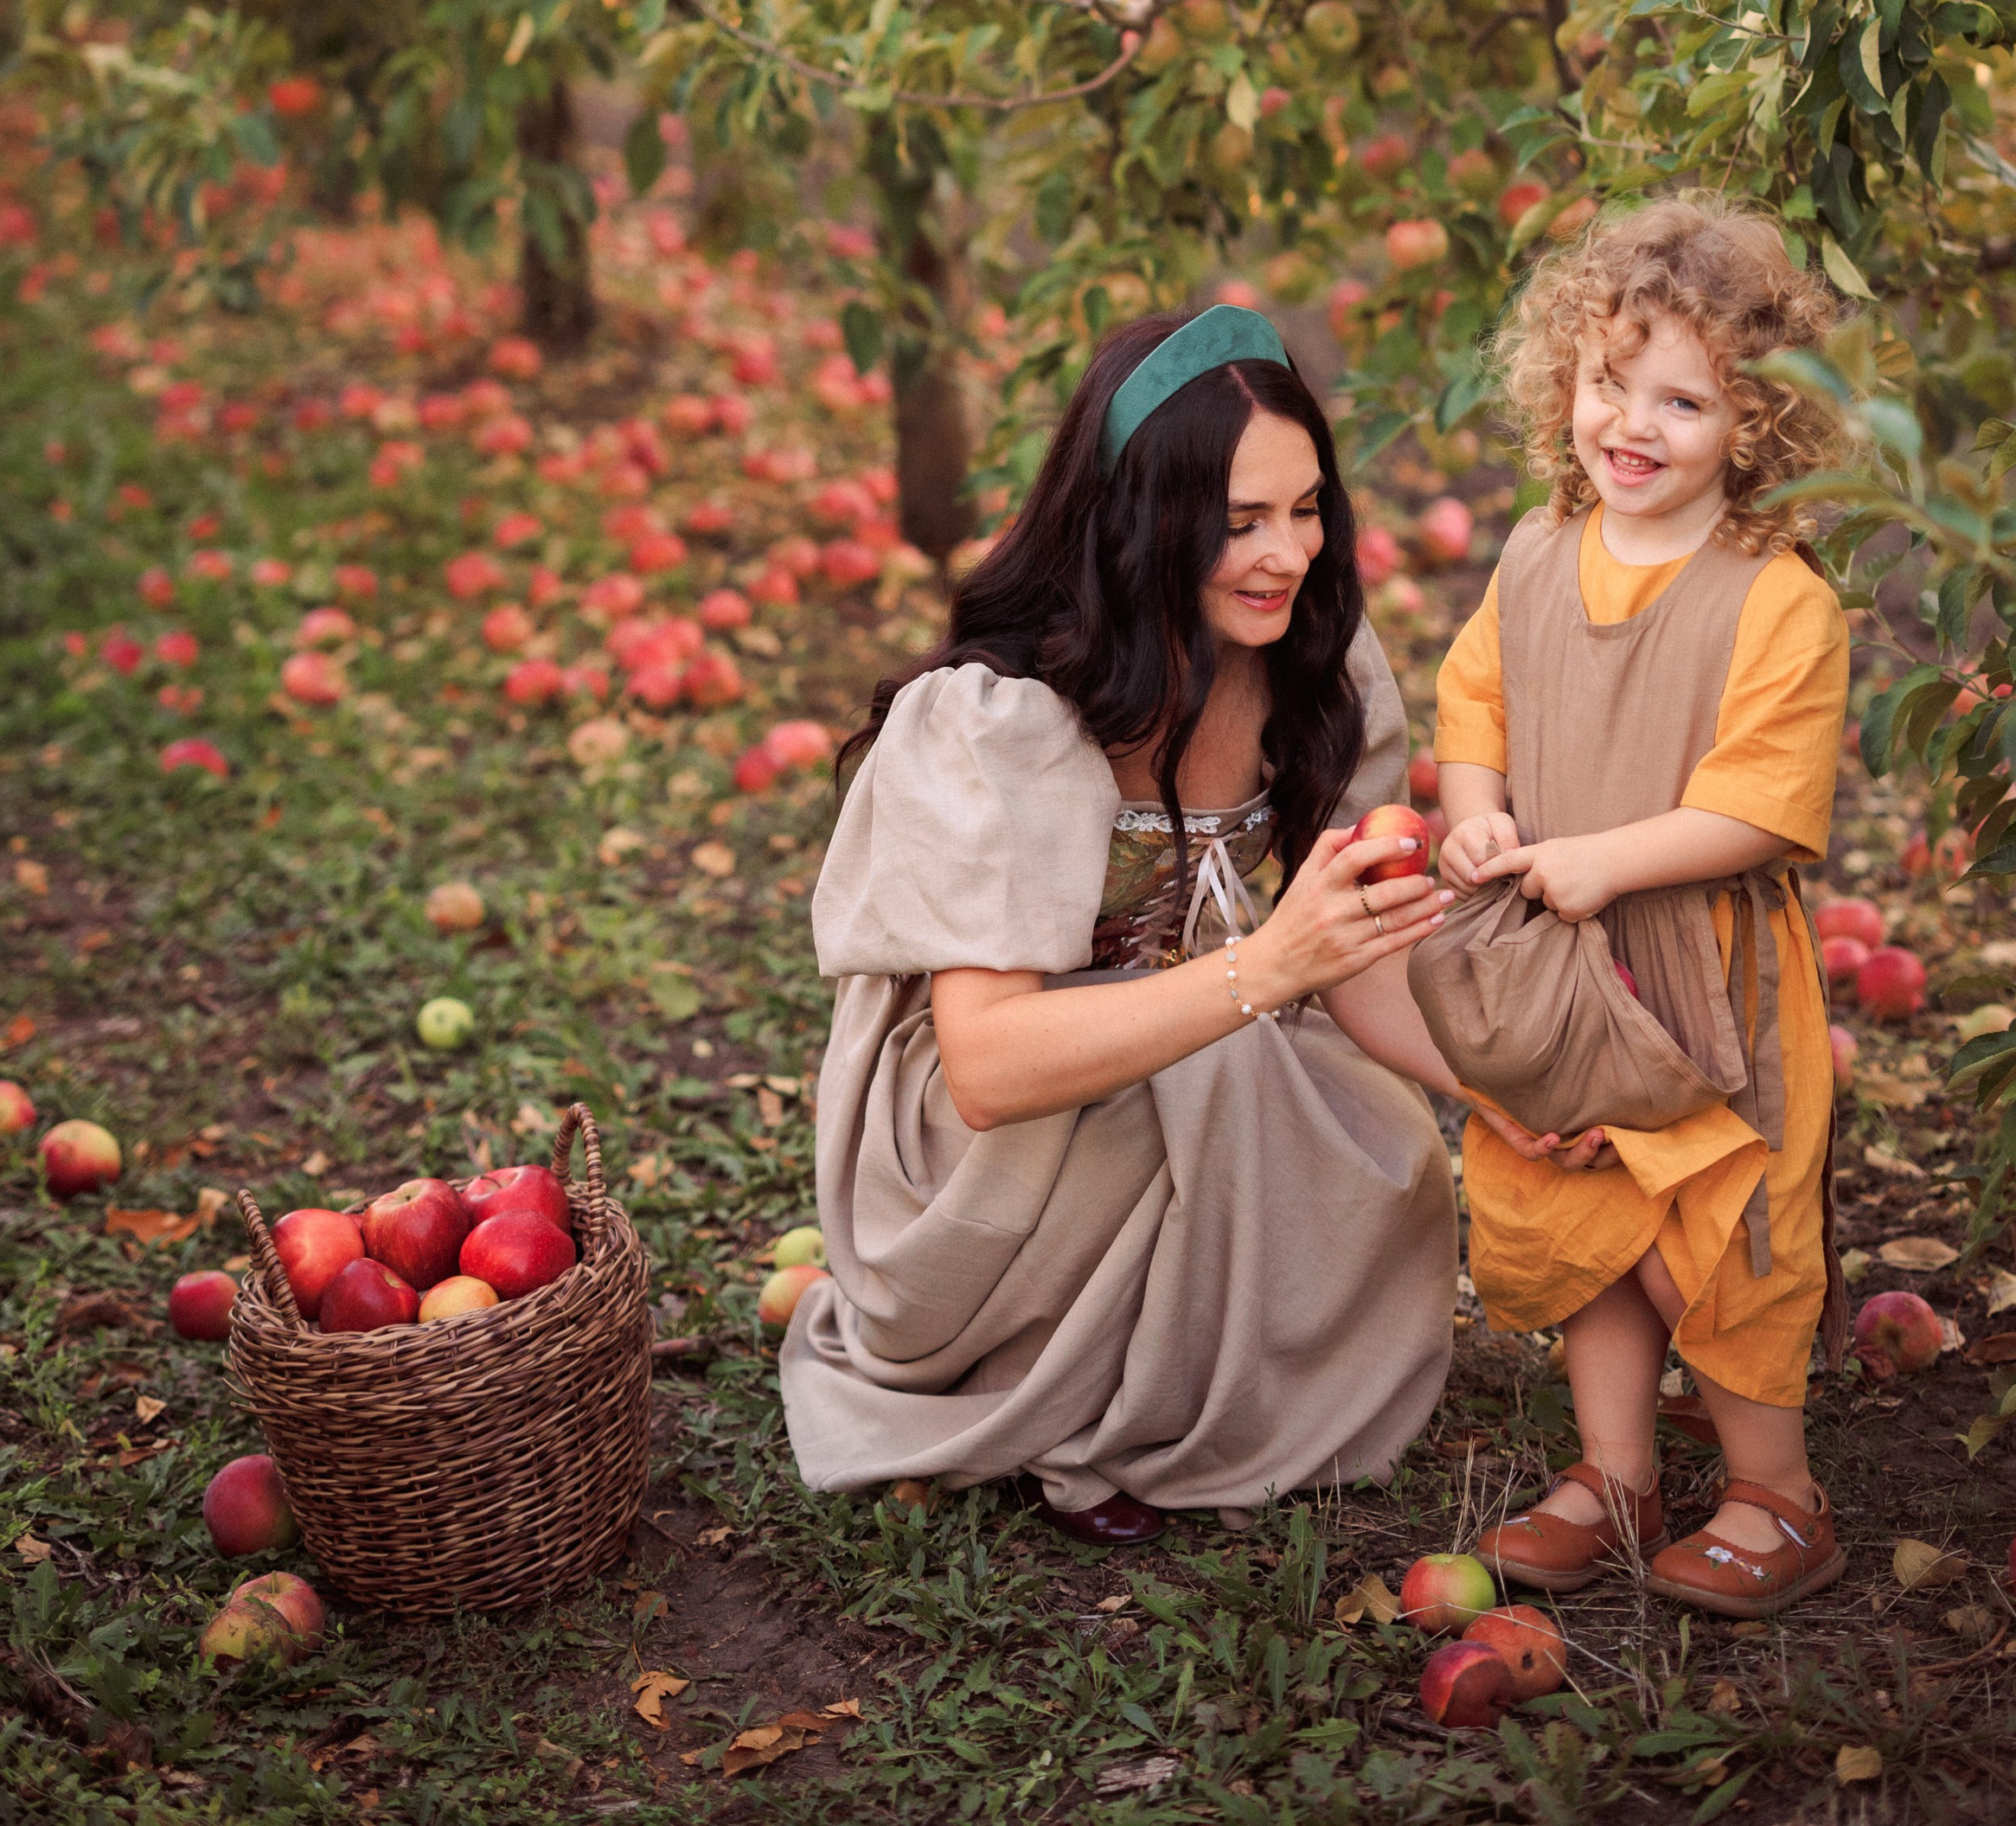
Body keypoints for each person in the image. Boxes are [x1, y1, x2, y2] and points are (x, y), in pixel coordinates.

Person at [779, 303, 1463, 1543]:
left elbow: (1361, 969)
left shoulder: (1317, 664)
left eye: (1305, 509)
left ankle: (1180, 1390)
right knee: (1219, 1066)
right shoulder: (1005, 715)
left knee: (1375, 1132)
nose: (1286, 553)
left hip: (1197, 1050)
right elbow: (987, 1067)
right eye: (1238, 521)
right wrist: (1262, 969)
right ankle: (1068, 1406)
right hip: (977, 1151)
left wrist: (1518, 1089)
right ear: (1143, 514)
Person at [1430, 198, 1852, 1618]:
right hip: (1562, 962)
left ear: (1758, 425)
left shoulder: (1776, 598)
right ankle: (1615, 1468)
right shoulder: (1541, 551)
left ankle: (1774, 1491)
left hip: (1699, 973)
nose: (1637, 423)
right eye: (1615, 382)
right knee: (1581, 1199)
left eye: (1686, 399)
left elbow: (1766, 800)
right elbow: (1474, 690)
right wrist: (1480, 801)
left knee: (1720, 1229)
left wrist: (1608, 858)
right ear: (1569, 380)